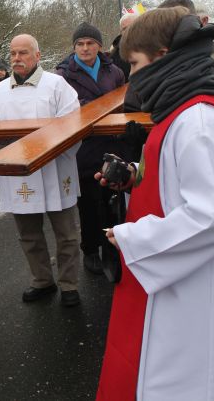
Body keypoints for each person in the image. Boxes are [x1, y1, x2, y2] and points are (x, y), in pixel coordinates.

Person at [94, 7, 214, 401]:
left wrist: (133, 237)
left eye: (134, 63)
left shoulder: (198, 124)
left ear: (164, 57)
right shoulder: (183, 114)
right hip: (190, 277)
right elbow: (185, 183)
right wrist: (134, 176)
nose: (131, 77)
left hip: (201, 294)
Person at [0, 34, 82, 307]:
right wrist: (6, 149)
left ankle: (69, 284)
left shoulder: (57, 85)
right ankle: (42, 280)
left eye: (23, 53)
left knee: (67, 234)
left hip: (55, 168)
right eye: (13, 53)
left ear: (37, 56)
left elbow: (74, 123)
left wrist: (47, 147)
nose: (17, 58)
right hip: (19, 174)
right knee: (29, 234)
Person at [55, 22, 125, 275]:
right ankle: (90, 249)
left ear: (99, 46)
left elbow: (122, 101)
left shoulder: (113, 71)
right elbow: (63, 110)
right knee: (87, 202)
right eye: (80, 44)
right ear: (74, 47)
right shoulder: (62, 75)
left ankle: (112, 245)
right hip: (83, 147)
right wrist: (93, 106)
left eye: (90, 43)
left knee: (111, 199)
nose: (85, 48)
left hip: (111, 143)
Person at [109, 13, 139, 81]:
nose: (128, 31)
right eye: (124, 29)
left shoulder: (152, 47)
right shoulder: (114, 56)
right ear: (121, 32)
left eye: (132, 27)